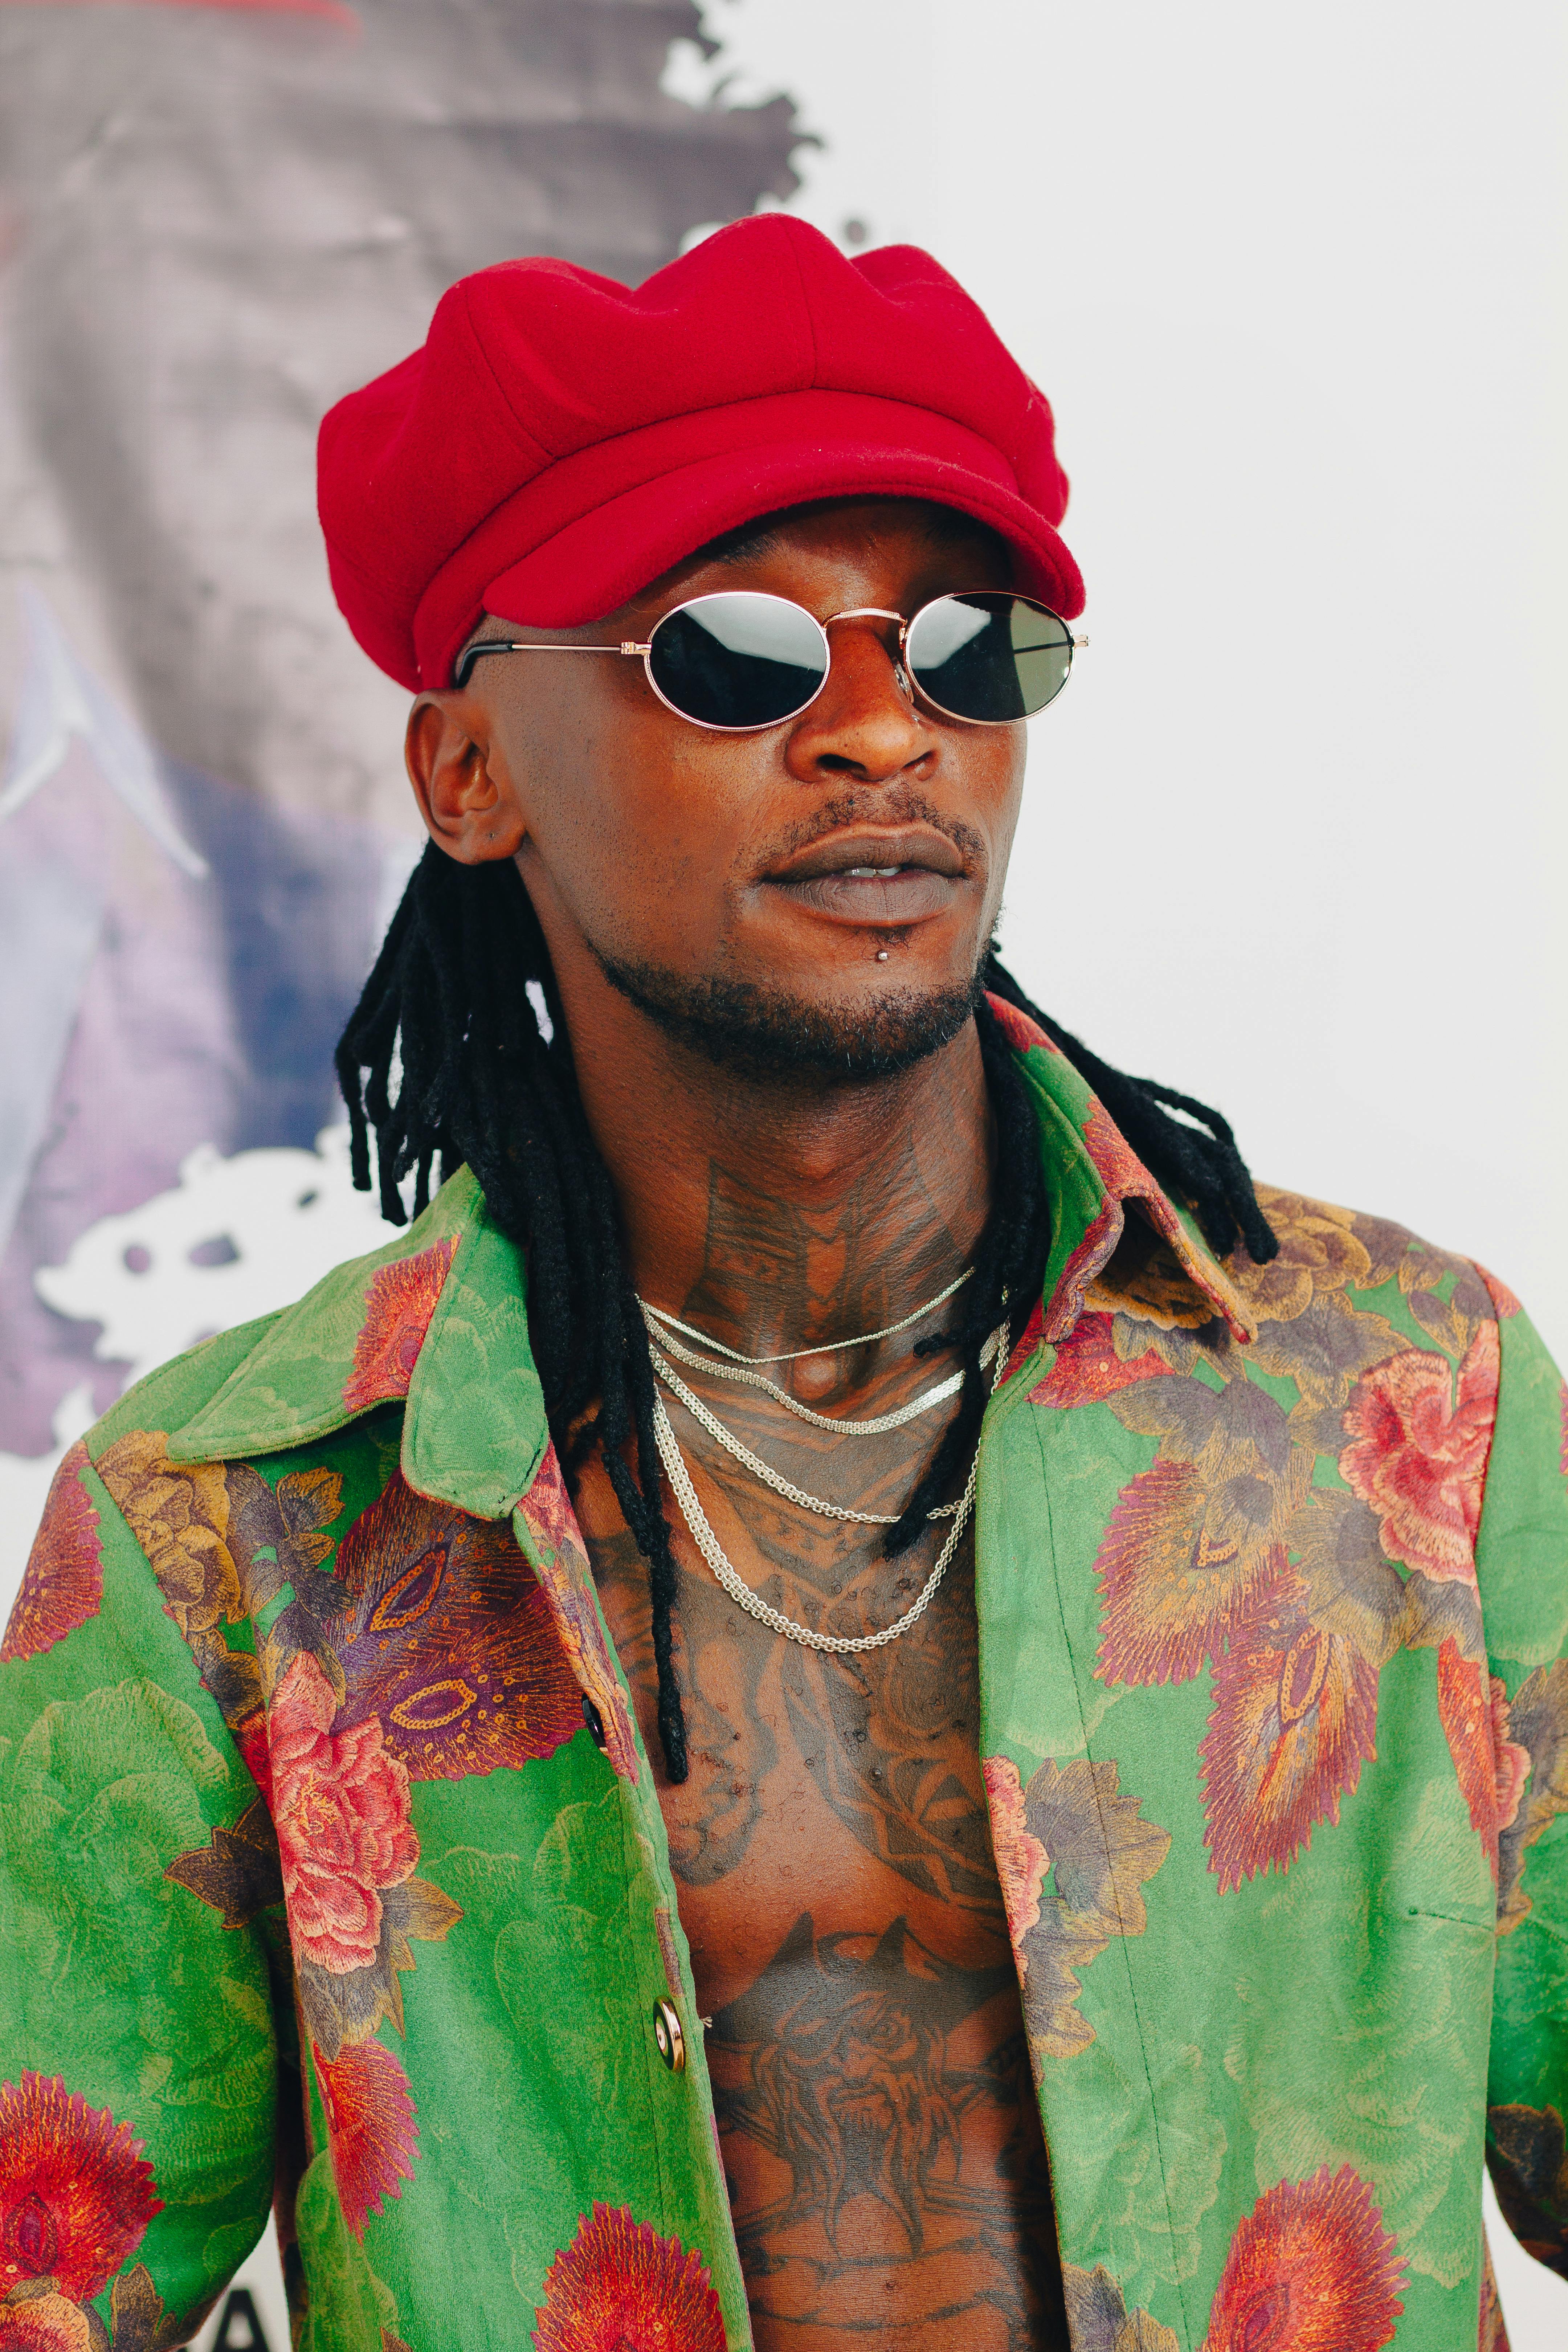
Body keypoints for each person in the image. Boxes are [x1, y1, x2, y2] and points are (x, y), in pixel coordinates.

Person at [1, 215, 1563, 2352]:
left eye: (959, 646)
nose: (879, 733)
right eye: (731, 653)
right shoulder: (229, 1524)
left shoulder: (1406, 1404)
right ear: (469, 773)